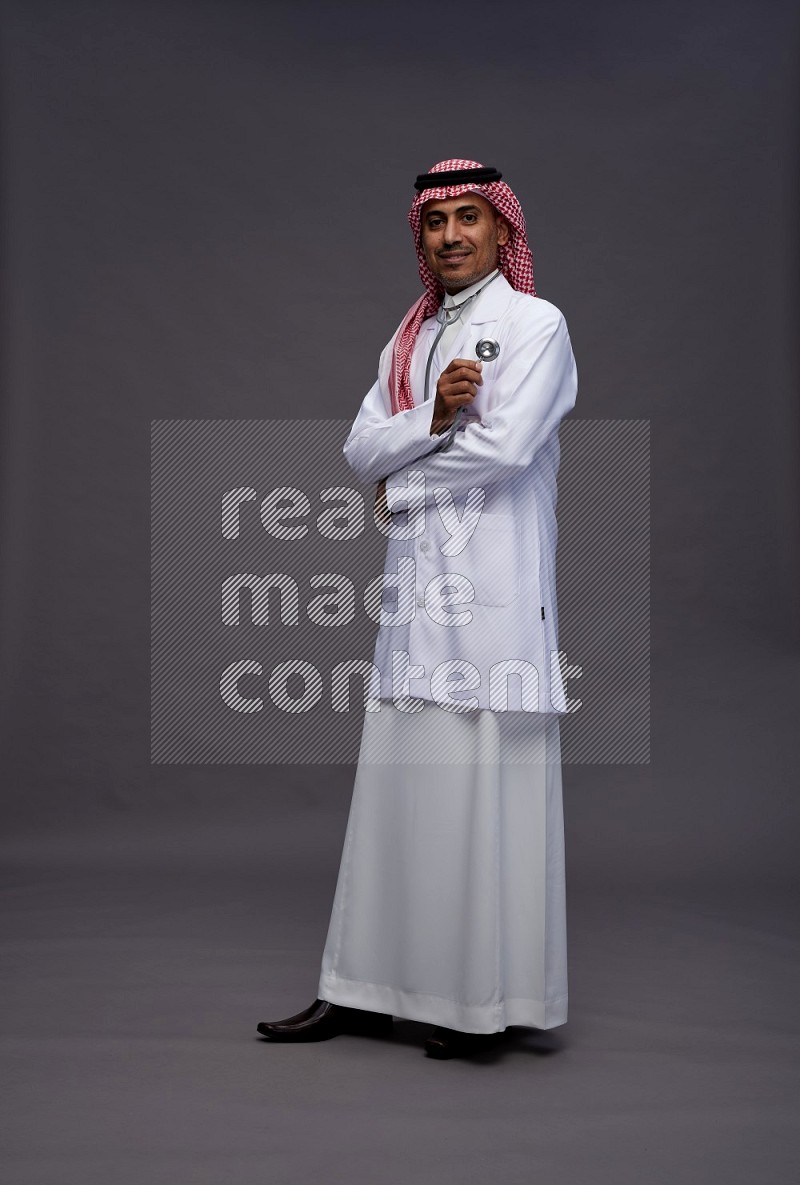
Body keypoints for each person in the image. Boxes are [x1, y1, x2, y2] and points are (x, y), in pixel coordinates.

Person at [257, 158, 578, 1059]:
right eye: (435, 224)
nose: (449, 238)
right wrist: (431, 416)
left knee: (480, 792)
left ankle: (477, 1005)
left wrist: (402, 490)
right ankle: (360, 990)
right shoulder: (409, 338)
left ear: (503, 230)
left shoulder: (534, 323)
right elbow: (360, 446)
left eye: (468, 219)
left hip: (495, 598)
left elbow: (508, 447)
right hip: (415, 602)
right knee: (396, 794)